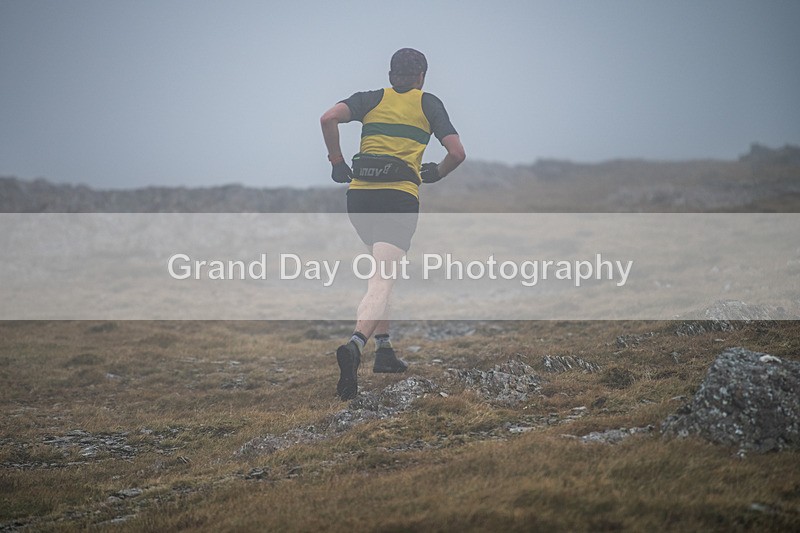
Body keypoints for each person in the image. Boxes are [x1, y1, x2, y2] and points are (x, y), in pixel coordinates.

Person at [320, 48, 466, 400]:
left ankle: (384, 349)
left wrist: (337, 161)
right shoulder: (428, 103)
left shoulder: (371, 99)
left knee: (381, 273)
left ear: (390, 75)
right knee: (382, 278)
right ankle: (356, 345)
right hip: (397, 198)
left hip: (359, 198)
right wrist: (436, 172)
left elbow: (328, 118)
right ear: (422, 77)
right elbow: (457, 153)